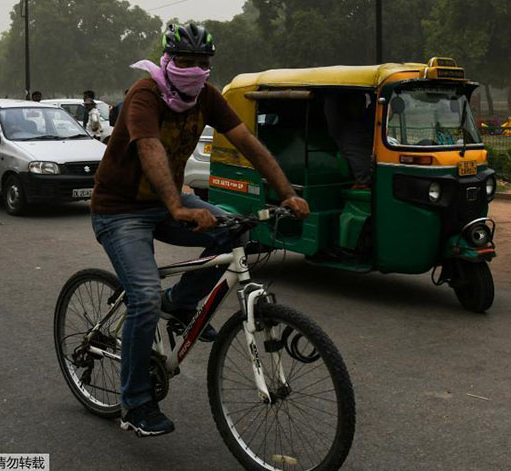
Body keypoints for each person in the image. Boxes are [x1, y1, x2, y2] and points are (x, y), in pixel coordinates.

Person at [90, 22, 310, 437]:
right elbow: (150, 148)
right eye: (185, 61)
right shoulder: (146, 94)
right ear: (167, 61)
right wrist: (177, 205)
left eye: (202, 63)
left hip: (168, 201)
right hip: (119, 211)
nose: (193, 69)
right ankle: (134, 402)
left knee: (235, 232)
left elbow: (248, 142)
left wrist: (286, 193)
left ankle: (181, 304)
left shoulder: (207, 96)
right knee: (143, 296)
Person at [323, 92, 374, 188]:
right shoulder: (340, 128)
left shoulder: (368, 124)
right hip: (364, 182)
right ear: (345, 106)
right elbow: (330, 105)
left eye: (362, 104)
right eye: (355, 104)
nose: (360, 108)